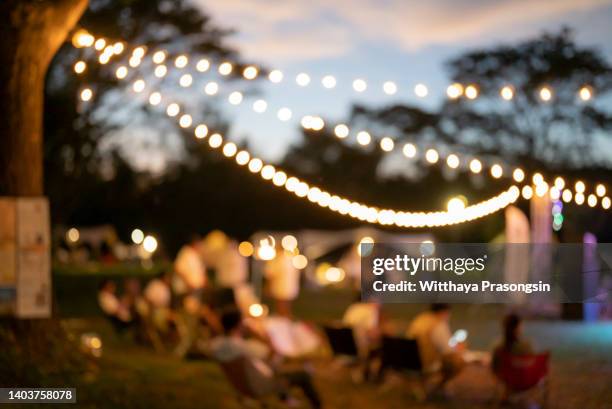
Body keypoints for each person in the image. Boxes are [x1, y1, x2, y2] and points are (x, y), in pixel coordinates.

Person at [209, 310, 323, 409]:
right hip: (260, 385)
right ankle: (318, 406)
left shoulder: (217, 345)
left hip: (242, 387)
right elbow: (273, 354)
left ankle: (286, 398)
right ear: (239, 325)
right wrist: (262, 337)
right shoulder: (245, 347)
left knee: (280, 370)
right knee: (303, 375)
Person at [406, 304, 465, 383]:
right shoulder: (438, 324)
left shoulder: (420, 319)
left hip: (412, 363)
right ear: (445, 312)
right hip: (429, 366)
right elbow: (448, 351)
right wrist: (459, 348)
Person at [264, 247, 300, 317]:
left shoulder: (280, 259)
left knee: (283, 304)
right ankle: (283, 318)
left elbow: (271, 272)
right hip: (286, 286)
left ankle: (283, 318)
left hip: (283, 286)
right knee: (284, 304)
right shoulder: (289, 259)